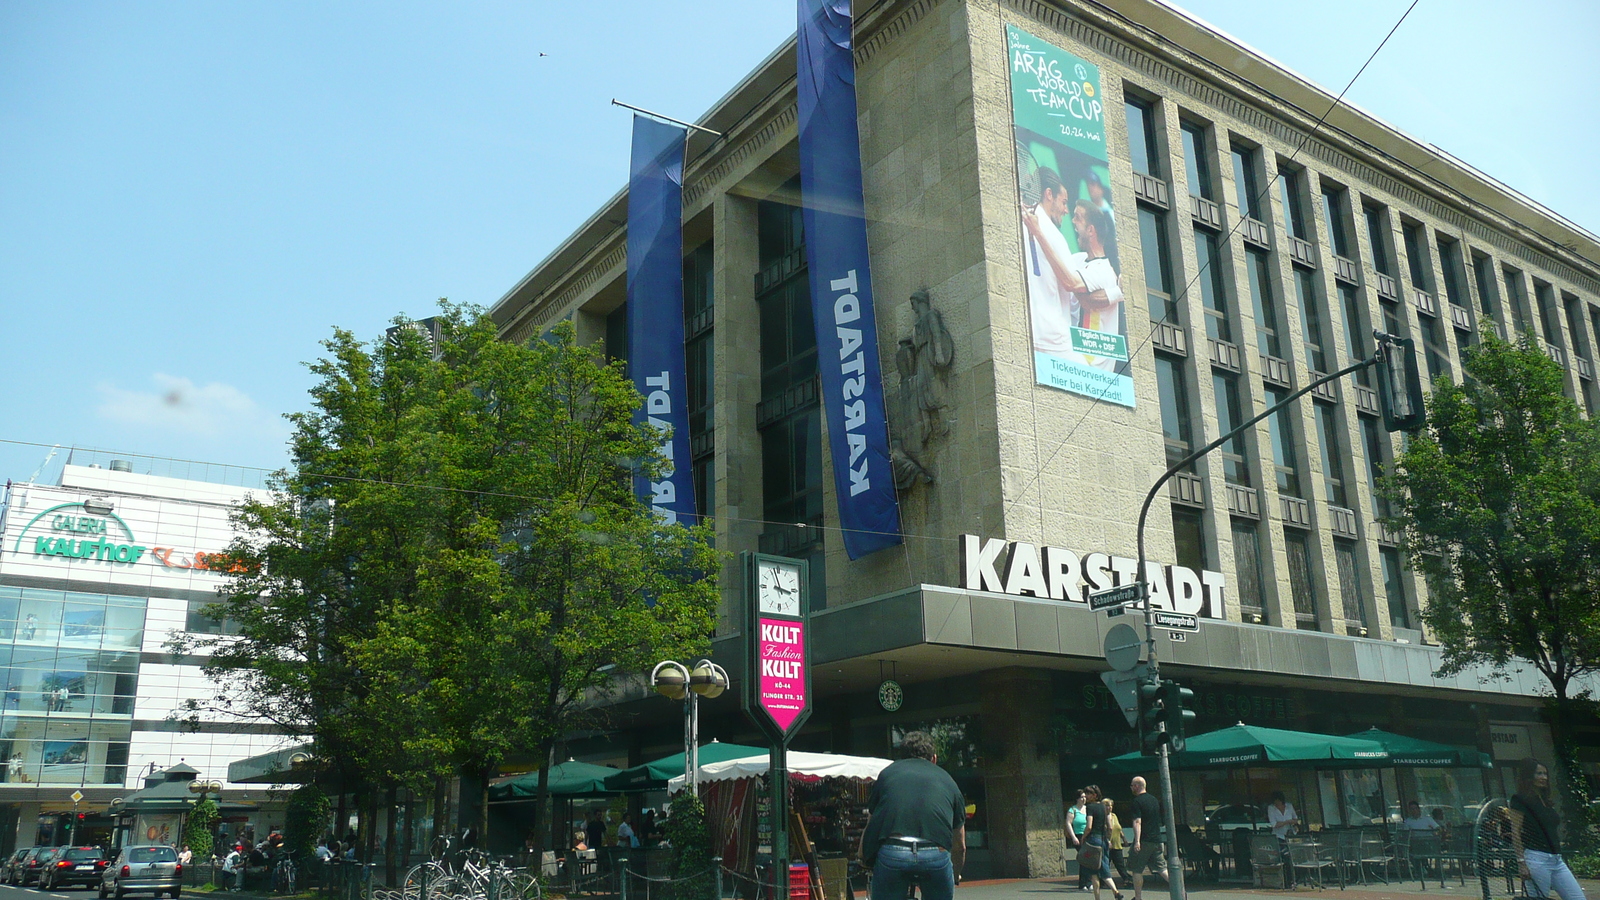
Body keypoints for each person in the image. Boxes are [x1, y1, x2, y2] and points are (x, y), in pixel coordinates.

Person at [859, 730, 966, 900]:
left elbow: (871, 822)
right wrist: (956, 873)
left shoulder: (887, 774)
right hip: (935, 854)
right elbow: (959, 844)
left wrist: (863, 856)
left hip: (893, 852)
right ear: (934, 759)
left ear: (902, 756)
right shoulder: (948, 781)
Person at [1510, 757, 1587, 900]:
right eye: (1538, 774)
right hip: (1536, 859)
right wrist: (1521, 863)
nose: (1543, 777)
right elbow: (1515, 831)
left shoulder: (1545, 800)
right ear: (1528, 776)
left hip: (1556, 859)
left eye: (1545, 774)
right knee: (1538, 898)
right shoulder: (1519, 799)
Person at [1127, 776, 1167, 900]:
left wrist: (1137, 841)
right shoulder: (1154, 800)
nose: (1131, 787)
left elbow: (1137, 822)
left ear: (1137, 786)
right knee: (1161, 868)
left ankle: (1138, 897)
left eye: (1132, 785)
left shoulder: (1137, 802)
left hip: (1144, 839)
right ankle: (1180, 891)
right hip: (1156, 838)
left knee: (1136, 870)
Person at [1081, 785, 1123, 900]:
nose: (1086, 796)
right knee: (1104, 867)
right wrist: (1108, 839)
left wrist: (1083, 837)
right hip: (1103, 839)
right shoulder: (1104, 807)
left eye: (1088, 793)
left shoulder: (1090, 807)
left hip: (1093, 839)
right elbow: (1110, 827)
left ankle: (1098, 898)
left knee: (1094, 871)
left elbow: (1089, 826)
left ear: (1095, 795)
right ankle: (1115, 891)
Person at [1066, 789, 1091, 890]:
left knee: (1089, 859)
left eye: (1085, 797)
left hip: (1088, 835)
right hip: (1078, 836)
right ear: (1077, 798)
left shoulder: (1088, 809)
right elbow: (1068, 823)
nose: (1084, 799)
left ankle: (1088, 882)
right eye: (1082, 797)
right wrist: (1073, 837)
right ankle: (1083, 883)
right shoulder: (1073, 810)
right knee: (1084, 858)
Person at [1104, 798, 1130, 881]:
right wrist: (1107, 840)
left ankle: (1127, 880)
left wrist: (1124, 839)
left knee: (1120, 864)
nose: (1110, 807)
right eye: (1107, 806)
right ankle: (1103, 881)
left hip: (1116, 844)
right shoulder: (1101, 817)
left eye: (1111, 806)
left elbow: (1119, 828)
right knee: (1105, 865)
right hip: (1107, 845)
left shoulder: (1114, 816)